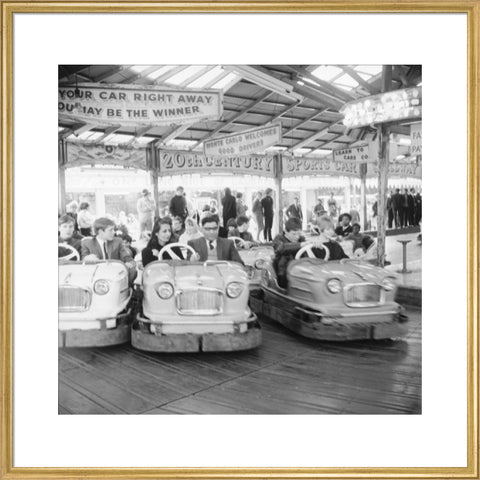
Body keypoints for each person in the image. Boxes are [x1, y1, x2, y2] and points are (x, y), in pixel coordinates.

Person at [272, 217, 325, 288]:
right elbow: (282, 248)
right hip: (284, 270)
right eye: (294, 234)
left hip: (300, 268)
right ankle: (285, 286)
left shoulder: (301, 238)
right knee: (283, 259)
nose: (297, 237)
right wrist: (301, 245)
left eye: (298, 233)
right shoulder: (279, 238)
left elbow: (308, 249)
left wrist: (317, 246)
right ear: (285, 231)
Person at [81, 217, 137, 284]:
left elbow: (128, 259)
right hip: (96, 276)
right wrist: (86, 259)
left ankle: (124, 291)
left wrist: (129, 263)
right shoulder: (87, 243)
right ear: (101, 232)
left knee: (133, 271)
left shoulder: (117, 241)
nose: (114, 232)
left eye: (114, 229)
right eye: (111, 230)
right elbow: (83, 263)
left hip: (115, 275)